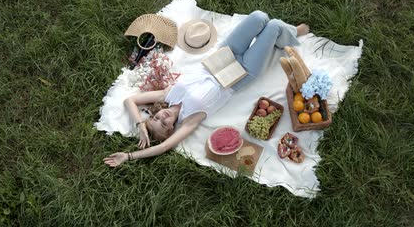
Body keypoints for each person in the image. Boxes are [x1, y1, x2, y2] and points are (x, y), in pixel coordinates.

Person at [103, 11, 309, 167]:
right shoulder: (189, 121)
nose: (161, 117)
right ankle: (291, 33)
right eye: (163, 124)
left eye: (155, 118)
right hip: (243, 72)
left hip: (224, 55)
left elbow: (129, 100)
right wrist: (128, 156)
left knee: (259, 16)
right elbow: (163, 147)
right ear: (170, 129)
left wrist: (140, 125)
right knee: (272, 27)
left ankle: (284, 35)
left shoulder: (168, 95)